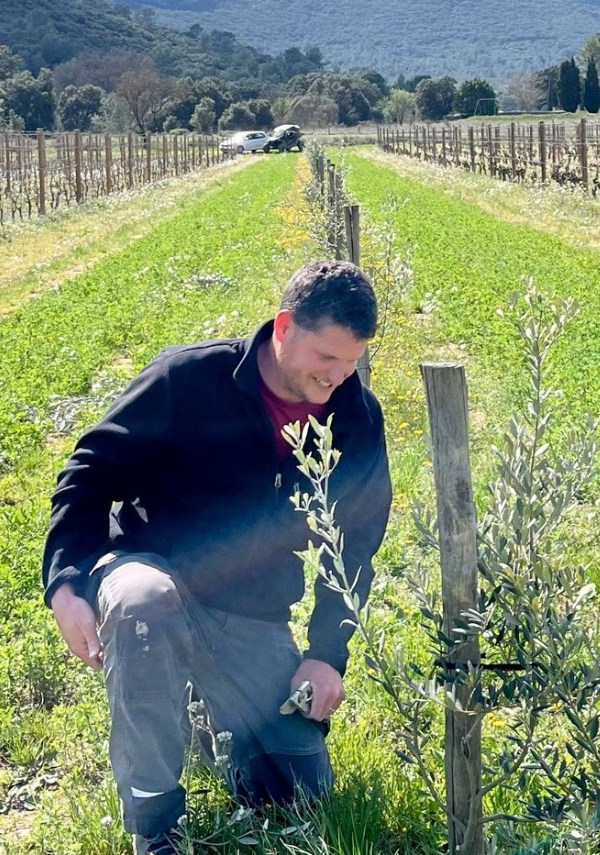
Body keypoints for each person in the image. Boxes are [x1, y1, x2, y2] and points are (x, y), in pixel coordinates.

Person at [41, 261, 392, 855]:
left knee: (298, 792)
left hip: (250, 609)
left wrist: (326, 655)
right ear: (284, 327)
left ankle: (206, 714)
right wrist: (65, 585)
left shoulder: (353, 415)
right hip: (152, 570)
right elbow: (90, 473)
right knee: (142, 605)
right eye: (326, 357)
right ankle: (154, 824)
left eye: (351, 362)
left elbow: (355, 541)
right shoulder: (187, 380)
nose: (337, 376)